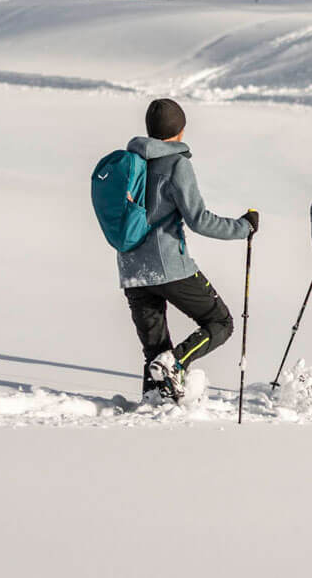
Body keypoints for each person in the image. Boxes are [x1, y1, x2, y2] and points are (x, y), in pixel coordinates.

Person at [119, 98, 257, 407]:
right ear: (180, 132)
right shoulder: (176, 164)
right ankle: (177, 363)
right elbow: (199, 220)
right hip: (169, 266)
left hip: (131, 269)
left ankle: (155, 404)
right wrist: (243, 227)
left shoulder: (131, 163)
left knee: (155, 352)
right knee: (220, 323)